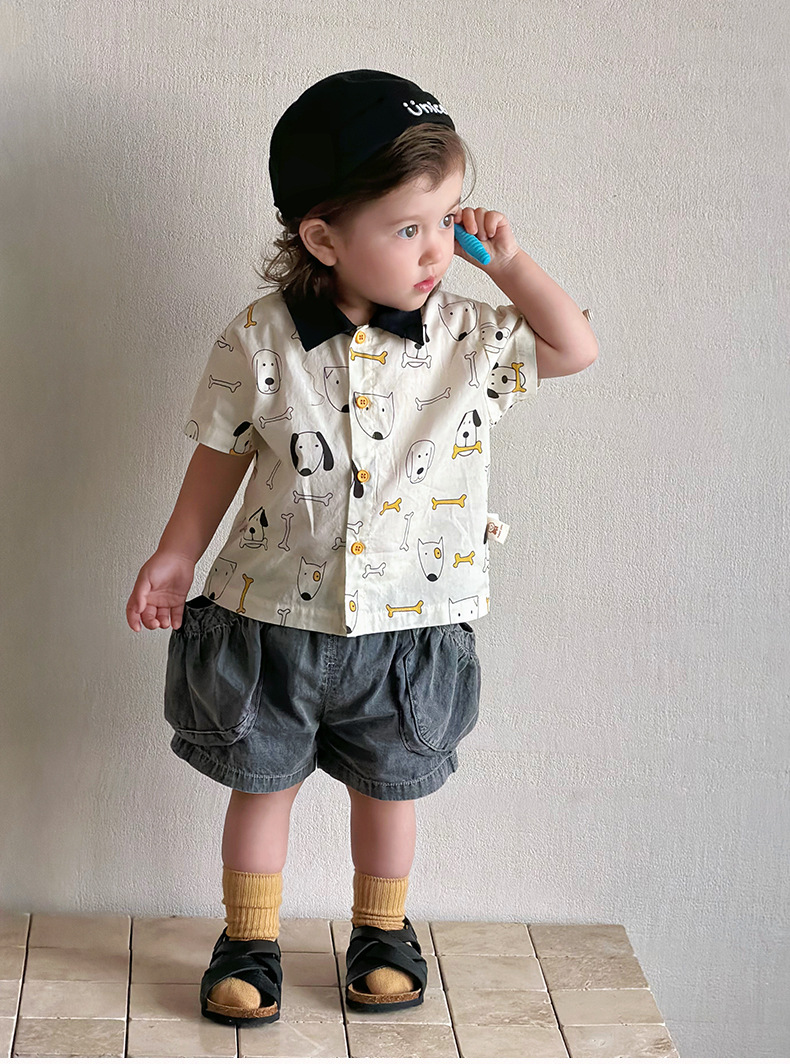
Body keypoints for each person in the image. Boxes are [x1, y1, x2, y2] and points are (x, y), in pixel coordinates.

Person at [125, 69, 598, 1028]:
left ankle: (382, 933)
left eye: (448, 220)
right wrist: (175, 556)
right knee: (262, 786)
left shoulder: (466, 336)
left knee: (390, 789)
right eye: (409, 227)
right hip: (271, 620)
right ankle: (249, 940)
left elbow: (573, 347)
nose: (438, 249)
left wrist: (509, 265)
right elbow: (220, 455)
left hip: (411, 629)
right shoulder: (261, 338)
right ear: (323, 238)